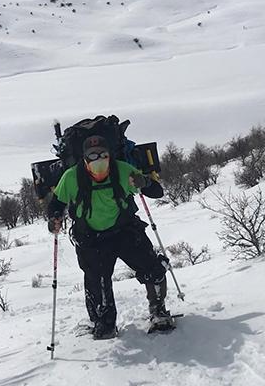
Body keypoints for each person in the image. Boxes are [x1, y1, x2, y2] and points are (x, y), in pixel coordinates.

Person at [47, 135, 172, 339]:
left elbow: (157, 192)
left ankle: (158, 311)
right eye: (93, 156)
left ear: (109, 155)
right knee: (98, 282)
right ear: (85, 159)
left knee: (152, 268)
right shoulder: (71, 177)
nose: (99, 160)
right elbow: (57, 204)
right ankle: (104, 323)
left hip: (124, 230)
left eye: (103, 155)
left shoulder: (123, 170)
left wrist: (145, 182)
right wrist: (54, 218)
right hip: (90, 237)